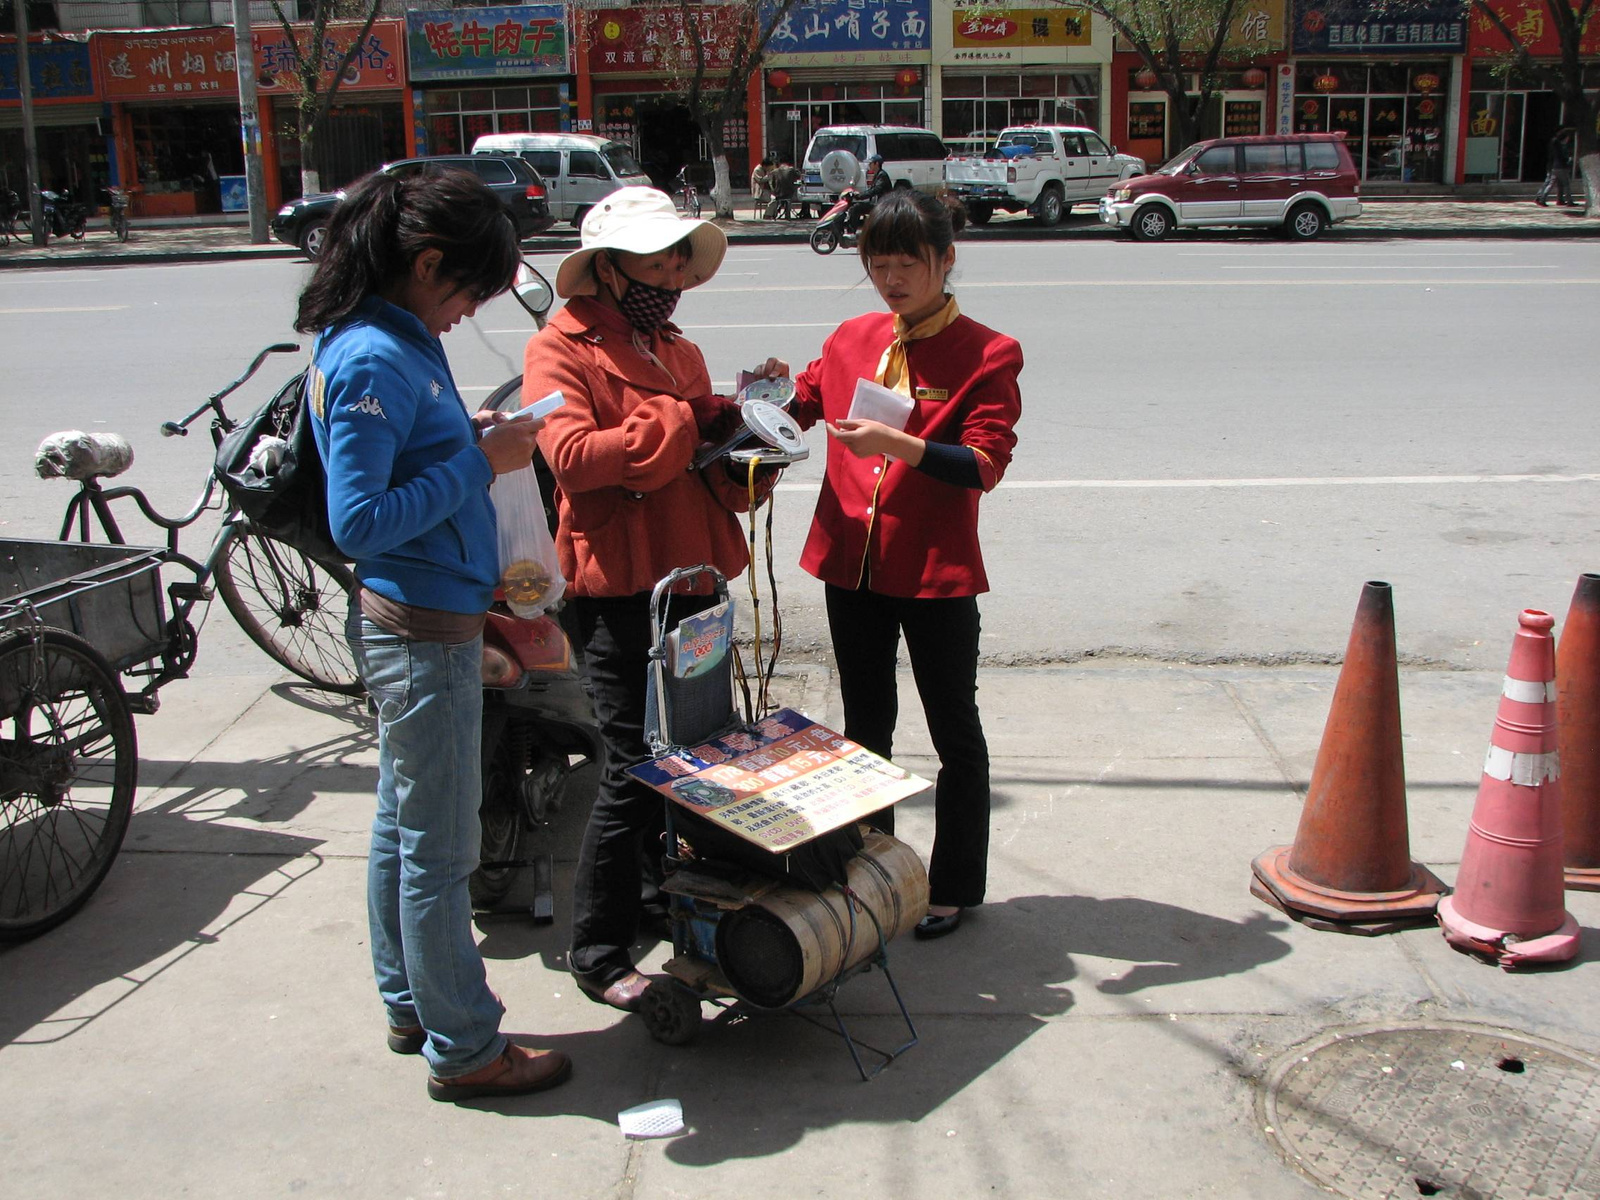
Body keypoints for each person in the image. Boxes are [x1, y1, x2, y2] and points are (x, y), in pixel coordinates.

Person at [298, 167, 572, 1103]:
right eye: (467, 292)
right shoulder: (374, 356)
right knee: (440, 854)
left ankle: (411, 1003)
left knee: (401, 828)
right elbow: (360, 521)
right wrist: (477, 460)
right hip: (418, 634)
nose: (468, 313)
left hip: (424, 620)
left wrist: (473, 430)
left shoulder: (388, 342)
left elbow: (413, 455)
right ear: (424, 263)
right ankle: (465, 1047)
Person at [522, 186, 784, 1010]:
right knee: (634, 767)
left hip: (694, 582)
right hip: (620, 588)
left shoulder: (681, 348)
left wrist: (752, 443)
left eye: (680, 258)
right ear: (606, 266)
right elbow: (571, 457)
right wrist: (685, 422)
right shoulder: (560, 349)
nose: (671, 272)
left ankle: (660, 902)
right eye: (657, 256)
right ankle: (597, 952)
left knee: (695, 755)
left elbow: (714, 486)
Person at [789, 189, 1023, 941]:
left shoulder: (988, 353)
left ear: (946, 260)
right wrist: (761, 399)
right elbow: (800, 401)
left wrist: (900, 445)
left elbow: (983, 464)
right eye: (878, 265)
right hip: (851, 566)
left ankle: (954, 884)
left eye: (908, 265)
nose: (892, 280)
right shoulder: (852, 335)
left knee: (955, 729)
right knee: (864, 728)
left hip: (933, 571)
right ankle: (875, 867)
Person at [846, 154, 893, 236]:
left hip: (882, 206)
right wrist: (859, 194)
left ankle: (851, 233)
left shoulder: (882, 175)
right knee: (856, 207)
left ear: (877, 164)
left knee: (856, 208)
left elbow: (875, 190)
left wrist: (860, 196)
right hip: (878, 204)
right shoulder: (878, 174)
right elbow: (871, 190)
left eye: (871, 163)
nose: (869, 165)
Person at [1537, 128, 1575, 207]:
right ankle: (1569, 201)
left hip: (1555, 167)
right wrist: (1569, 159)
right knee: (1566, 185)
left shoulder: (1556, 145)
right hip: (1562, 168)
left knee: (1551, 184)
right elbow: (1563, 157)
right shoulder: (1561, 146)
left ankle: (1542, 199)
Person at [751, 153, 776, 217]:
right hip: (760, 192)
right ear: (765, 166)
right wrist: (769, 175)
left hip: (766, 191)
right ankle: (767, 215)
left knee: (777, 199)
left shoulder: (765, 170)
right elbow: (760, 180)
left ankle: (772, 214)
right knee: (774, 200)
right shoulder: (758, 170)